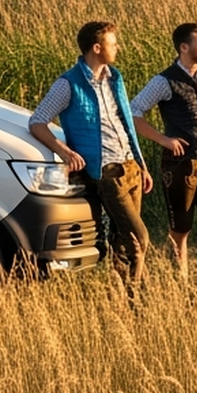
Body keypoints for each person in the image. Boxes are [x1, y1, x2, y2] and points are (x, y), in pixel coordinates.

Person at [28, 21, 153, 290]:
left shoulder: (115, 78)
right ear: (97, 48)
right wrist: (65, 152)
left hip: (130, 166)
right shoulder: (68, 84)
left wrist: (141, 164)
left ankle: (122, 294)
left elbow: (126, 124)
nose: (117, 47)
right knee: (139, 237)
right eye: (112, 43)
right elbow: (37, 122)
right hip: (106, 172)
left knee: (123, 239)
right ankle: (136, 294)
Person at [131, 22, 197, 295]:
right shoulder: (163, 81)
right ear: (184, 47)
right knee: (180, 229)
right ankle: (181, 283)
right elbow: (134, 111)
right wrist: (164, 139)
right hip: (180, 166)